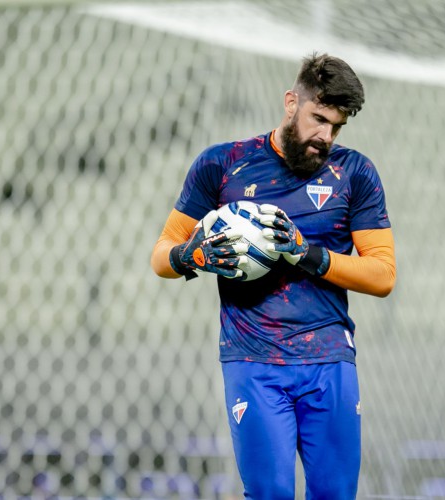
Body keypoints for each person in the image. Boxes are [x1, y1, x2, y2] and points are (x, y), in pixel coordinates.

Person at [150, 52, 396, 499]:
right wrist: (193, 256)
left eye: (337, 126)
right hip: (253, 360)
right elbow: (161, 256)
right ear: (291, 102)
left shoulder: (355, 173)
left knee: (336, 495)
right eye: (318, 118)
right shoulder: (222, 164)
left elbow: (382, 275)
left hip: (329, 359)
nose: (325, 136)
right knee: (271, 494)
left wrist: (307, 255)